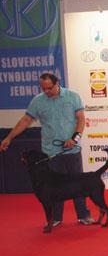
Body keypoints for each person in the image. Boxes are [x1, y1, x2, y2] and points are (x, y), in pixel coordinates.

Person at [0, 73, 95, 227]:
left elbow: (81, 118)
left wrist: (74, 138)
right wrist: (9, 137)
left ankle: (83, 215)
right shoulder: (38, 101)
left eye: (49, 88)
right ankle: (55, 218)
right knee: (53, 187)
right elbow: (25, 120)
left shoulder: (73, 96)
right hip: (50, 153)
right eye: (44, 89)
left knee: (78, 184)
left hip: (72, 150)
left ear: (57, 83)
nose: (47, 92)